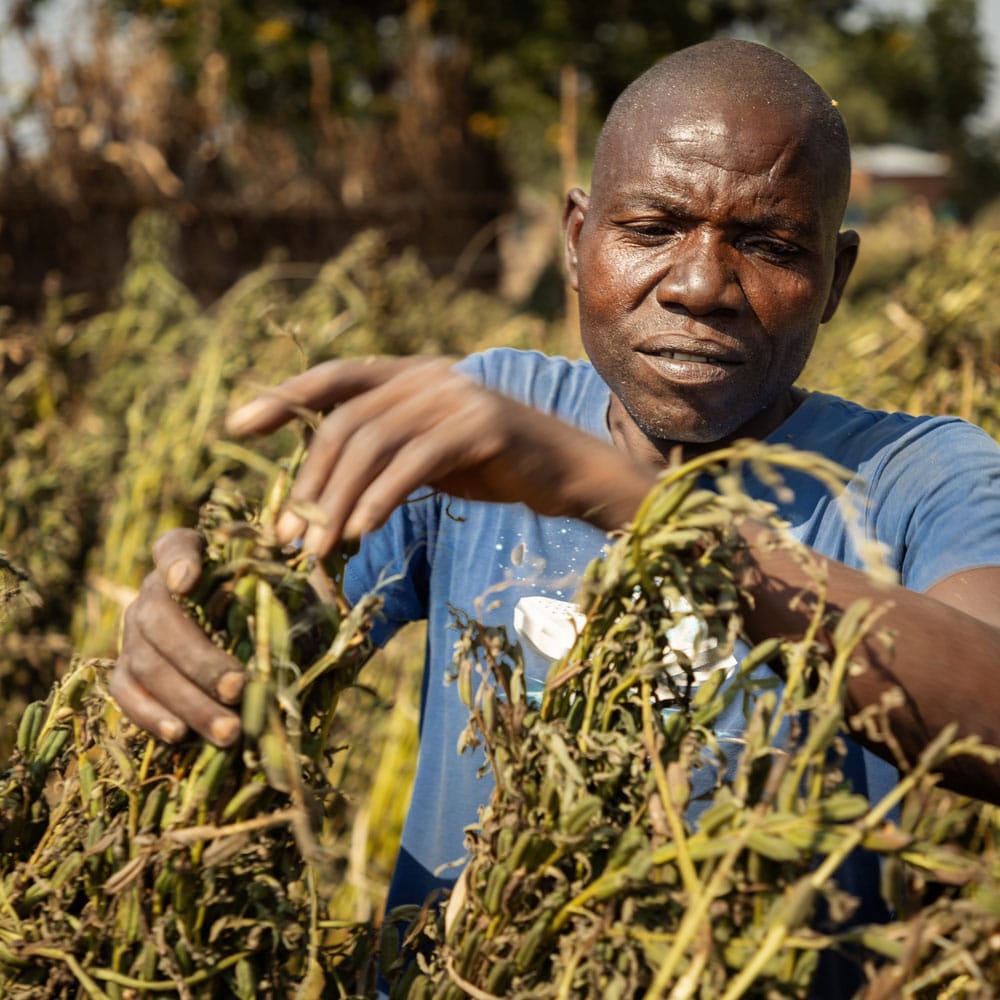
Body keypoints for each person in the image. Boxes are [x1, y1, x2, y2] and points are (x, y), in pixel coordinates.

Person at [110, 37, 1000, 992]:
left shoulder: (918, 474)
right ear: (578, 241)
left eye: (771, 245)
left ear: (837, 279)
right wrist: (207, 619)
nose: (700, 285)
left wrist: (619, 500)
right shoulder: (485, 419)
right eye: (653, 227)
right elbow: (285, 630)